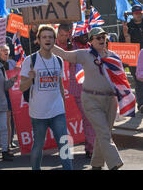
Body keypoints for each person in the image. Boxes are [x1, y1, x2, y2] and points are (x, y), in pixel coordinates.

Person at [52, 27, 124, 170]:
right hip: (91, 99)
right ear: (91, 41)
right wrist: (47, 42)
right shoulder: (84, 54)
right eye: (98, 38)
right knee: (103, 131)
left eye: (104, 37)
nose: (102, 40)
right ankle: (114, 162)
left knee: (104, 132)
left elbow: (120, 80)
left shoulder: (114, 57)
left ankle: (96, 163)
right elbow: (64, 54)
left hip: (110, 100)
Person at [20, 25, 73, 170]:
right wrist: (30, 79)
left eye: (50, 37)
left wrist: (63, 104)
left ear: (55, 40)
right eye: (44, 37)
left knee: (64, 144)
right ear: (38, 40)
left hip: (57, 111)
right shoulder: (30, 61)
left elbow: (60, 84)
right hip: (38, 113)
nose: (47, 39)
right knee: (38, 145)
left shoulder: (59, 60)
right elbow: (21, 87)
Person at [58, 24, 96, 158]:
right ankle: (92, 148)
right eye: (82, 33)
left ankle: (90, 145)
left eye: (87, 33)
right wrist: (67, 39)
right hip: (79, 89)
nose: (84, 36)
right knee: (88, 117)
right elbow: (61, 52)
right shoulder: (71, 44)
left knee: (91, 118)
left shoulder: (93, 45)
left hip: (95, 88)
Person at [121, 4, 143, 113]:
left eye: (140, 13)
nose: (138, 15)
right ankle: (141, 104)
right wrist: (125, 34)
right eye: (136, 13)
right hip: (135, 58)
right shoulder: (127, 26)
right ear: (132, 14)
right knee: (138, 81)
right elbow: (122, 45)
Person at [0, 44, 18, 150]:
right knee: (1, 120)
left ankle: (9, 142)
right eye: (2, 50)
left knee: (10, 118)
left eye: (7, 50)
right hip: (0, 94)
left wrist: (17, 70)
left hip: (11, 93)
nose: (5, 52)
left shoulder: (12, 63)